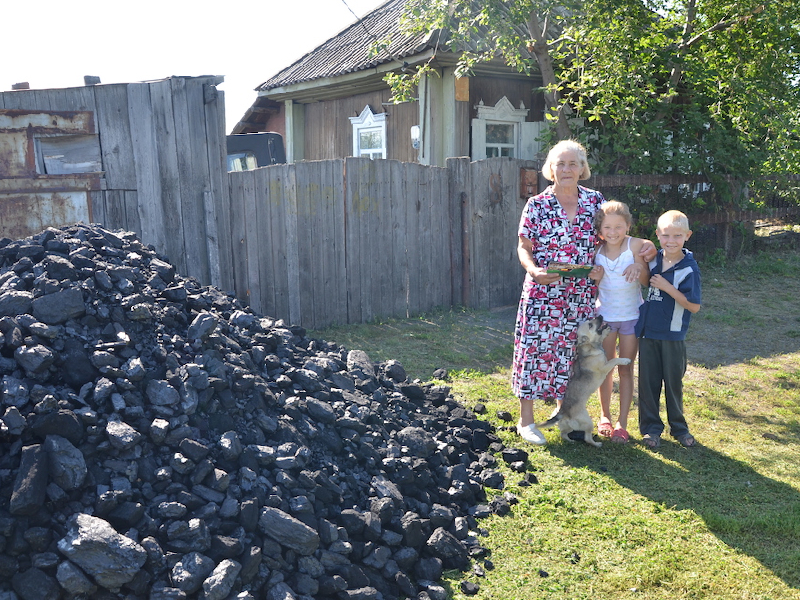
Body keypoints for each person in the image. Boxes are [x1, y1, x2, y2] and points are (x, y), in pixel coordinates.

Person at [512, 140, 655, 445]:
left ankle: (567, 417)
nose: (566, 169)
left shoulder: (595, 202)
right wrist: (533, 270)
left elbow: (616, 234)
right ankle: (526, 421)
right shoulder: (536, 205)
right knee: (535, 353)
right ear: (551, 169)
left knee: (572, 357)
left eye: (573, 164)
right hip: (543, 294)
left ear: (582, 168)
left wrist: (648, 246)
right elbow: (524, 247)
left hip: (581, 297)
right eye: (560, 164)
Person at [636, 210, 702, 449]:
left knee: (673, 384)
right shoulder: (654, 259)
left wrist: (667, 287)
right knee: (648, 384)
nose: (671, 241)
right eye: (665, 235)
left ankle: (679, 428)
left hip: (673, 335)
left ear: (687, 236)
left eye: (677, 235)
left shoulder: (688, 269)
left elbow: (694, 306)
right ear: (657, 235)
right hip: (648, 332)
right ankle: (651, 430)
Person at [593, 201, 651, 444]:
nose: (613, 232)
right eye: (608, 227)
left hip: (631, 318)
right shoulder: (595, 251)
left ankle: (622, 423)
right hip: (605, 318)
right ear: (600, 230)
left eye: (619, 226)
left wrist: (639, 266)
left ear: (628, 226)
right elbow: (591, 290)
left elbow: (648, 281)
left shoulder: (635, 245)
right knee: (606, 368)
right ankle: (605, 416)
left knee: (625, 369)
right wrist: (595, 279)